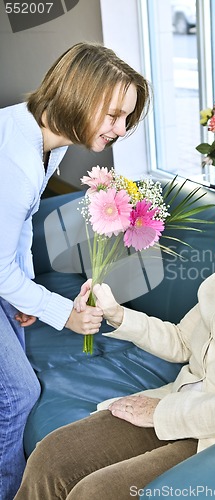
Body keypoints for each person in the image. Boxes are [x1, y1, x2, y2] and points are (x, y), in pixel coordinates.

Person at [15, 168, 215, 500]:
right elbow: (182, 341)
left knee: (96, 493)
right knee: (54, 452)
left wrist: (159, 413)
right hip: (179, 404)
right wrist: (116, 313)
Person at [0, 41, 150, 499]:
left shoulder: (47, 143)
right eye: (113, 116)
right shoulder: (16, 158)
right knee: (17, 396)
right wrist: (59, 311)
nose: (121, 130)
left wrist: (22, 288)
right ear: (77, 96)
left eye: (126, 118)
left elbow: (18, 223)